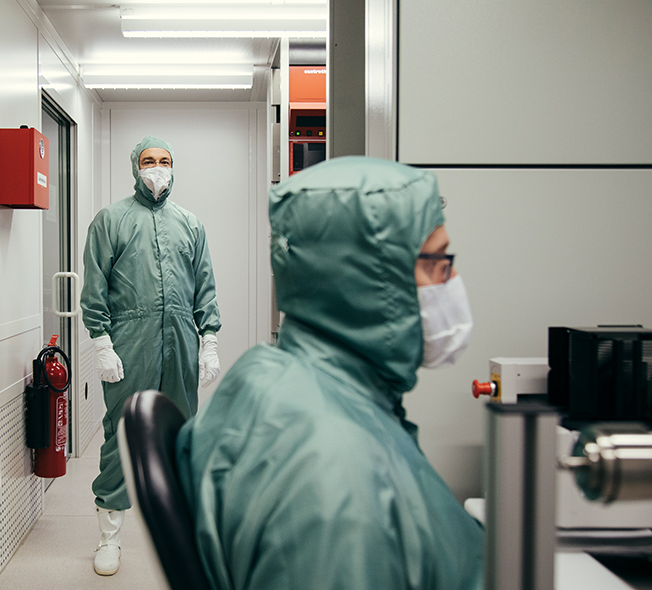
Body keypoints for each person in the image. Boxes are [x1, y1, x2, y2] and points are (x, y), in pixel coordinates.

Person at [176, 156, 483, 589]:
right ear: (370, 281)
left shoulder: (276, 376)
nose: (451, 283)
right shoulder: (336, 476)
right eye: (437, 263)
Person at [80, 135, 222, 576]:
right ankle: (109, 539)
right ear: (134, 167)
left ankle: (187, 533)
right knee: (121, 435)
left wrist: (210, 338)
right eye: (148, 161)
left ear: (174, 167)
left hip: (180, 342)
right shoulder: (111, 220)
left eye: (164, 161)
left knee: (182, 434)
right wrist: (101, 341)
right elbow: (94, 286)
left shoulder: (190, 224)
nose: (156, 168)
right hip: (129, 342)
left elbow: (204, 286)